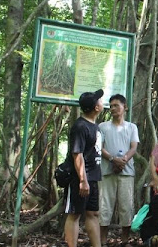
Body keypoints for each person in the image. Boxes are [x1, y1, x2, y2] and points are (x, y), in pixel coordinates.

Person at [64, 89, 104, 247]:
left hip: (93, 177)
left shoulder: (95, 126)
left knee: (93, 213)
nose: (102, 102)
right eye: (99, 100)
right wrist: (82, 180)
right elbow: (77, 154)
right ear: (96, 107)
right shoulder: (80, 126)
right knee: (74, 214)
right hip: (80, 178)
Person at [98, 94, 139, 246]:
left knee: (126, 205)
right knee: (105, 206)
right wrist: (112, 159)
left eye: (116, 105)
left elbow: (134, 147)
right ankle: (102, 241)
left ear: (125, 107)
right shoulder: (103, 126)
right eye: (111, 105)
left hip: (127, 172)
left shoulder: (131, 127)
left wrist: (123, 160)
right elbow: (99, 147)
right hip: (107, 171)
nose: (113, 108)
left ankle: (125, 240)